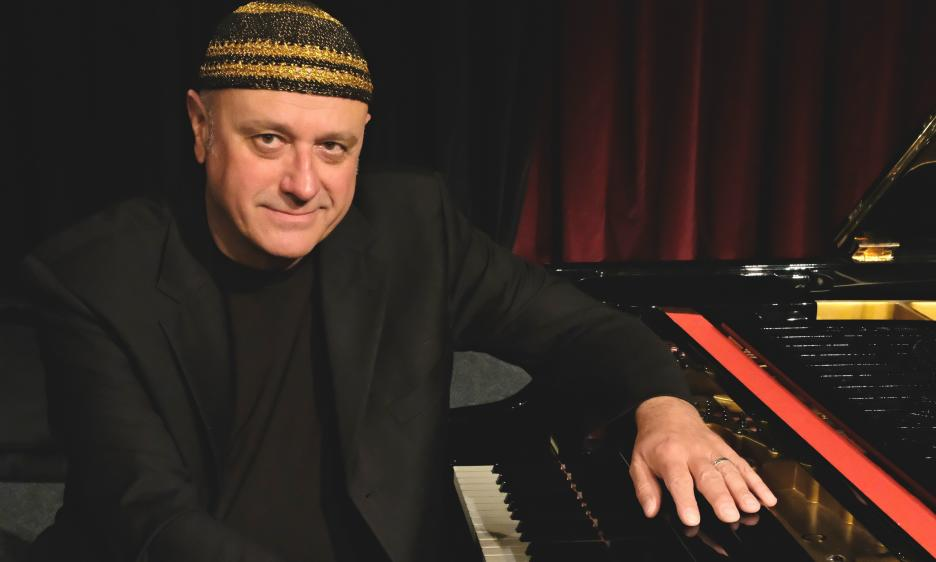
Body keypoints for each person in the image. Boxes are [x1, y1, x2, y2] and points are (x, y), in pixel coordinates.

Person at [22, 1, 776, 561]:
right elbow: (150, 518)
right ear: (200, 128)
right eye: (269, 140)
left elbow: (581, 328)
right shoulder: (93, 276)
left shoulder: (412, 228)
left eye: (334, 148)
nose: (303, 184)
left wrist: (665, 410)